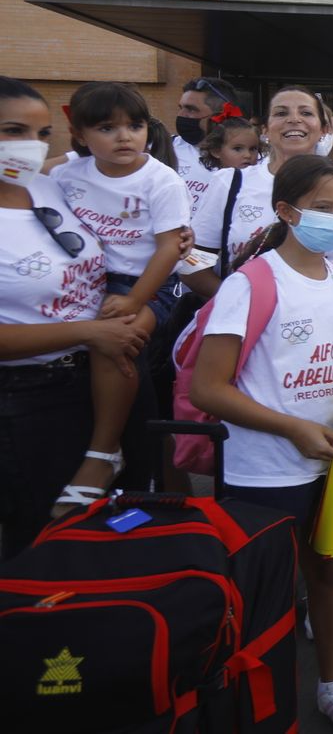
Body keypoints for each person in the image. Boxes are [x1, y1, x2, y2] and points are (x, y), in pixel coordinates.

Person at [186, 154, 333, 734]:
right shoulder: (252, 283)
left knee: (329, 571)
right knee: (264, 594)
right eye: (324, 209)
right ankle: (261, 704)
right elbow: (208, 388)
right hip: (263, 472)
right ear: (287, 211)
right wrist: (292, 427)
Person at [0, 77, 145, 557]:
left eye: (42, 135)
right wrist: (90, 332)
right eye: (13, 131)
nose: (30, 147)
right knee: (41, 542)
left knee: (91, 541)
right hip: (25, 403)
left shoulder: (50, 186)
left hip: (92, 386)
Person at [50, 82, 191, 513]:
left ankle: (103, 451)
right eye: (107, 128)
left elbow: (170, 249)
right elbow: (29, 171)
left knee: (119, 339)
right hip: (88, 280)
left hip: (147, 281)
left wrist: (135, 301)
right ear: (80, 134)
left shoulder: (161, 179)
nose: (124, 136)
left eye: (135, 125)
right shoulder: (68, 173)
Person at [187, 84, 333, 293]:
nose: (293, 119)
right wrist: (237, 302)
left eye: (306, 113)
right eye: (281, 113)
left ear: (323, 130)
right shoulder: (230, 182)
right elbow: (193, 260)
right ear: (265, 130)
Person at [173, 76, 241, 208]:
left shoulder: (248, 156)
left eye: (191, 109)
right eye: (180, 107)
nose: (181, 115)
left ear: (219, 115)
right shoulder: (165, 147)